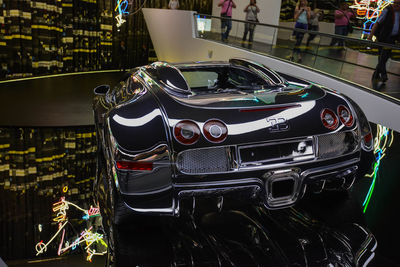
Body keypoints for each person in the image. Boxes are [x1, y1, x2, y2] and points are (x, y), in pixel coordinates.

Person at [368, 0, 400, 83]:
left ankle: (376, 74)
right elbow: (377, 23)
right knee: (383, 56)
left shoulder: (399, 13)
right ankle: (384, 75)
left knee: (384, 57)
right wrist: (370, 36)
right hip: (384, 37)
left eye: (398, 3)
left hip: (392, 38)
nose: (396, 5)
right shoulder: (388, 10)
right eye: (395, 3)